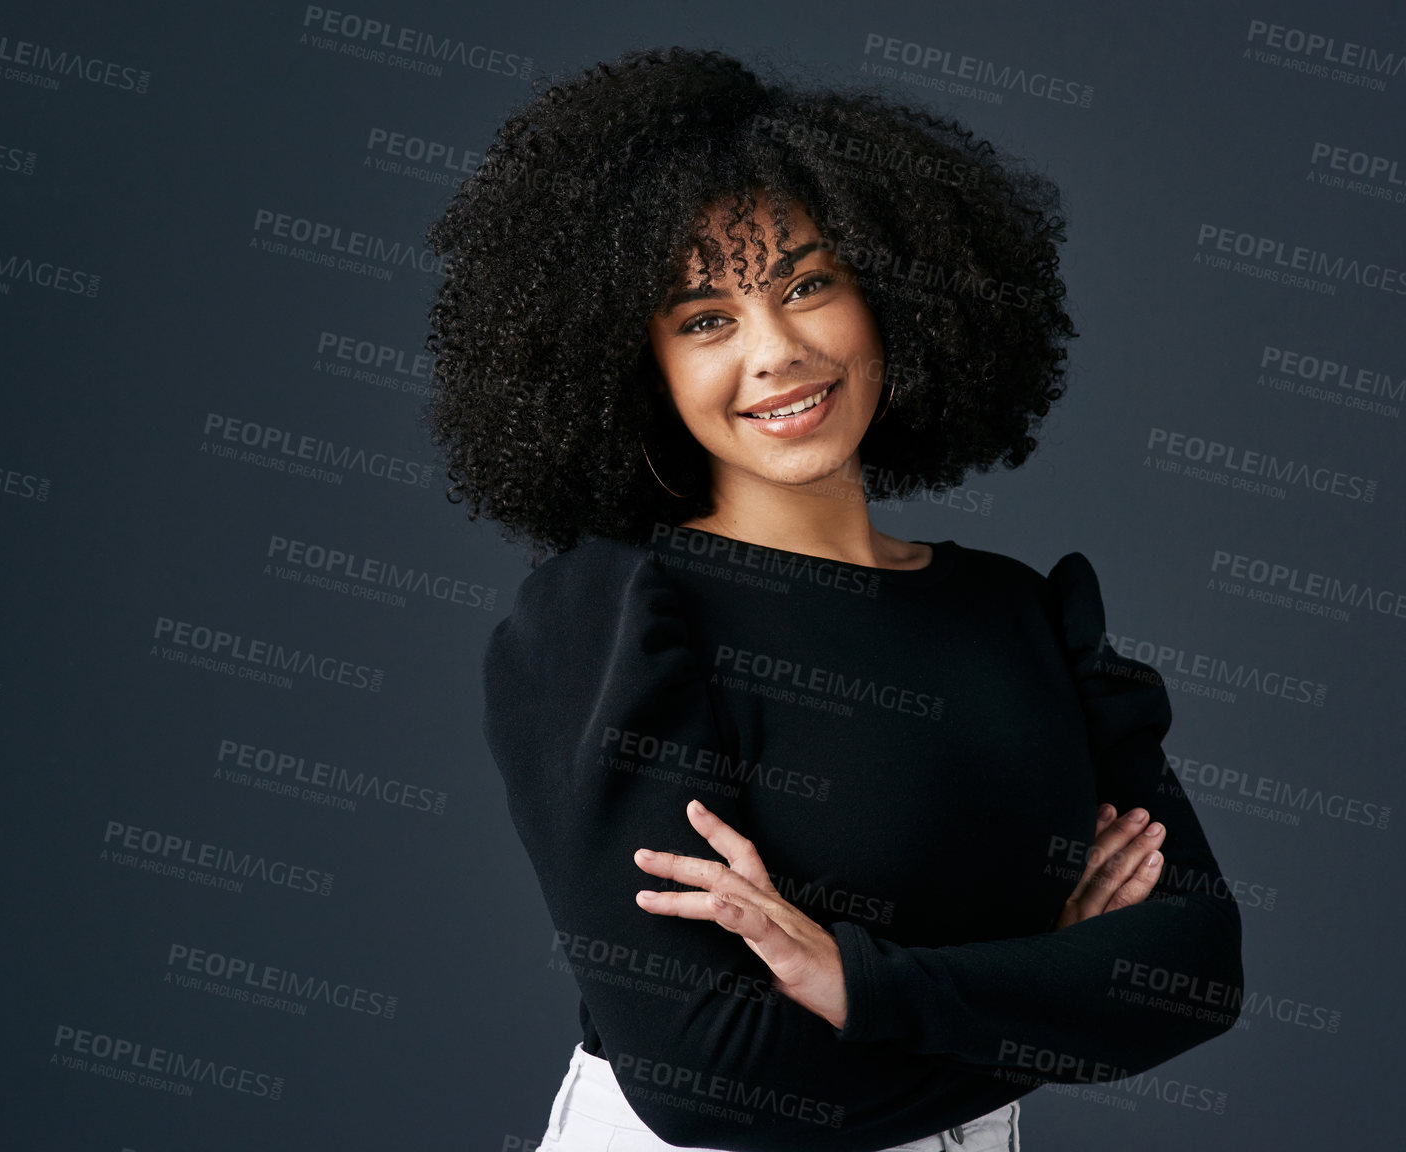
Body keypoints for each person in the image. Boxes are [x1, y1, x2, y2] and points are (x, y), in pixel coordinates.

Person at [423, 46, 1244, 1152]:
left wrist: (855, 985)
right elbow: (707, 1077)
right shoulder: (615, 619)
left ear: (890, 295)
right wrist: (1053, 997)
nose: (778, 352)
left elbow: (1194, 972)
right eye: (705, 318)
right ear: (637, 367)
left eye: (808, 284)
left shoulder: (1019, 616)